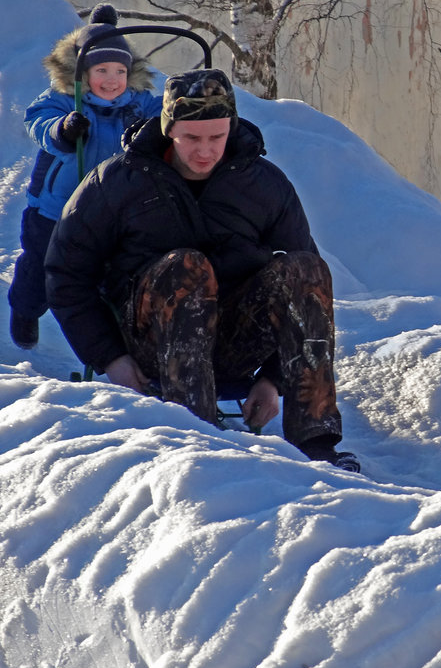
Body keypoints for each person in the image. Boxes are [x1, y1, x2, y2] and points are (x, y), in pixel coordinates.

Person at [45, 68, 359, 472]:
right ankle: (196, 433)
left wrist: (273, 378)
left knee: (306, 269)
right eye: (191, 138)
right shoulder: (117, 182)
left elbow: (304, 291)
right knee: (187, 266)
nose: (205, 150)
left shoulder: (265, 184)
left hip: (233, 341)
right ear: (169, 130)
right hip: (150, 343)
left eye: (217, 137)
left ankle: (317, 446)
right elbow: (66, 274)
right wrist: (111, 358)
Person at [9, 3, 163, 350]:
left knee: (106, 271)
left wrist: (162, 126)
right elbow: (39, 120)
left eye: (120, 71)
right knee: (41, 264)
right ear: (82, 73)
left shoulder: (138, 103)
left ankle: (112, 333)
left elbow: (165, 116)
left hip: (114, 208)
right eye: (102, 70)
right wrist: (63, 130)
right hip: (57, 206)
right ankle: (26, 308)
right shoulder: (65, 99)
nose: (112, 80)